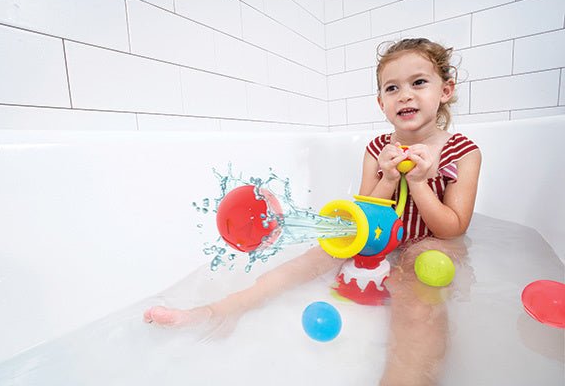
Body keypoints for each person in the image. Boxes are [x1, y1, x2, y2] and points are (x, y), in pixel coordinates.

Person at [143, 38, 482, 386]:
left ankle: (405, 378)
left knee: (417, 298)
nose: (405, 95)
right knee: (314, 257)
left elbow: (453, 228)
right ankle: (223, 310)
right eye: (392, 87)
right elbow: (363, 214)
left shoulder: (463, 152)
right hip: (375, 237)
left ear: (445, 90)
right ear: (381, 102)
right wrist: (389, 178)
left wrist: (420, 183)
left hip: (429, 244)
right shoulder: (377, 149)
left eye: (419, 82)